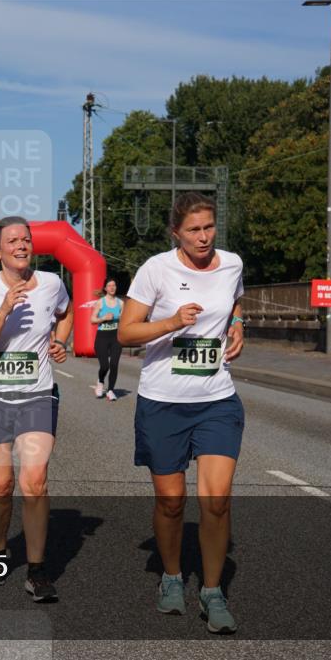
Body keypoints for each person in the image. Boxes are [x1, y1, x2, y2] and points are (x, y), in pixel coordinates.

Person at [118, 192, 245, 634]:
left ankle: (212, 591)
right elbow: (126, 332)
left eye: (209, 227)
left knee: (217, 499)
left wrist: (238, 324)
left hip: (216, 399)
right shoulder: (156, 269)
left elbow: (233, 302)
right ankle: (172, 578)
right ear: (177, 233)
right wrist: (172, 322)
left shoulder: (232, 264)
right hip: (164, 401)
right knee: (171, 502)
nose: (204, 236)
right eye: (194, 230)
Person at [0, 216, 73, 603]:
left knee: (34, 481)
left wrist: (61, 341)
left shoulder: (52, 284)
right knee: (1, 485)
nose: (21, 245)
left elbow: (66, 311)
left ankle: (37, 570)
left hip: (37, 394)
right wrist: (4, 310)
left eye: (26, 239)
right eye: (12, 241)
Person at [91, 279, 124, 400]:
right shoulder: (100, 302)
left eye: (114, 285)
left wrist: (120, 317)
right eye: (109, 285)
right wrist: (104, 318)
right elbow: (92, 320)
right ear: (105, 288)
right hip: (102, 337)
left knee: (114, 364)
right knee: (105, 366)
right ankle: (100, 382)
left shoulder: (121, 303)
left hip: (116, 336)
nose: (112, 287)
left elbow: (124, 320)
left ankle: (110, 390)